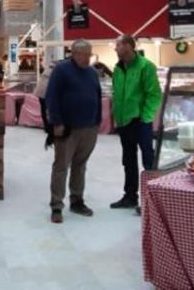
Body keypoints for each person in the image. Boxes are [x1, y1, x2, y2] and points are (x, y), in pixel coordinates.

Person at [45, 39, 101, 224]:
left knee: (80, 165)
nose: (88, 58)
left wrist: (98, 121)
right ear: (75, 53)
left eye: (90, 54)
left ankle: (77, 200)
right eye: (85, 54)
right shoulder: (61, 70)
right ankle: (56, 205)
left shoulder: (92, 73)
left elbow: (97, 97)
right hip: (68, 127)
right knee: (61, 166)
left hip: (89, 127)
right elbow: (51, 97)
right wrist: (56, 122)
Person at [109, 35, 162, 211]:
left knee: (148, 159)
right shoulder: (117, 69)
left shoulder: (146, 66)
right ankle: (130, 196)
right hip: (124, 122)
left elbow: (154, 95)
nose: (115, 48)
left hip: (140, 121)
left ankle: (152, 200)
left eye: (118, 45)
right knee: (128, 160)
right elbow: (117, 94)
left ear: (128, 46)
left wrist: (145, 117)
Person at [34, 61, 56, 149]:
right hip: (46, 93)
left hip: (40, 93)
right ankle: (49, 127)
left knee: (43, 110)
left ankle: (46, 126)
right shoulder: (55, 71)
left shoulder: (47, 70)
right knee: (48, 112)